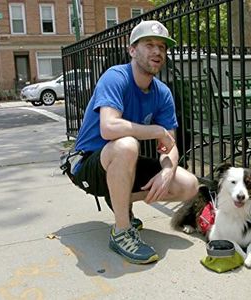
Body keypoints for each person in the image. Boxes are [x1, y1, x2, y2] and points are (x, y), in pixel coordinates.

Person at [72, 20, 199, 264]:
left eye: (162, 47)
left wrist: (167, 170)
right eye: (149, 44)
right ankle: (121, 231)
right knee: (127, 144)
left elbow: (170, 146)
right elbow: (109, 128)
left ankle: (118, 199)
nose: (157, 52)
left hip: (122, 161)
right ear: (132, 50)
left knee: (188, 184)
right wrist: (157, 130)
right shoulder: (115, 77)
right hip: (89, 162)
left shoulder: (162, 93)